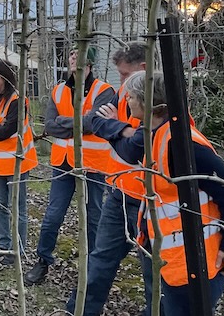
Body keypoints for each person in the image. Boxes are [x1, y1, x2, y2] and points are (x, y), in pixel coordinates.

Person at [104, 71, 224, 315]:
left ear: (149, 103)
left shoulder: (183, 146)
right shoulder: (158, 135)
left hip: (198, 263)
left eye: (132, 97)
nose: (127, 102)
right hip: (176, 261)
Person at [65, 41, 147, 315]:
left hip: (151, 202)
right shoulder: (124, 92)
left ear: (143, 69)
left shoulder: (162, 97)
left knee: (152, 271)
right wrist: (124, 129)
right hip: (119, 193)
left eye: (125, 74)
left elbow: (136, 148)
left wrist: (119, 130)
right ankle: (79, 310)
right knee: (100, 259)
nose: (120, 81)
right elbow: (96, 122)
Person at [24, 47, 114, 286]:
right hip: (62, 162)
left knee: (93, 217)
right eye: (72, 55)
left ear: (91, 62)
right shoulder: (58, 90)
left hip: (92, 165)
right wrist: (78, 123)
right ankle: (42, 260)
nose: (74, 58)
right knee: (53, 215)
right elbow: (50, 126)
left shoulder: (104, 91)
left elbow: (95, 124)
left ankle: (92, 266)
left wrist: (69, 122)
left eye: (80, 54)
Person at [0, 60, 38, 265]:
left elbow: (5, 132)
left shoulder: (17, 100)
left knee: (18, 208)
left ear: (5, 77)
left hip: (17, 163)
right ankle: (3, 245)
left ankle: (18, 250)